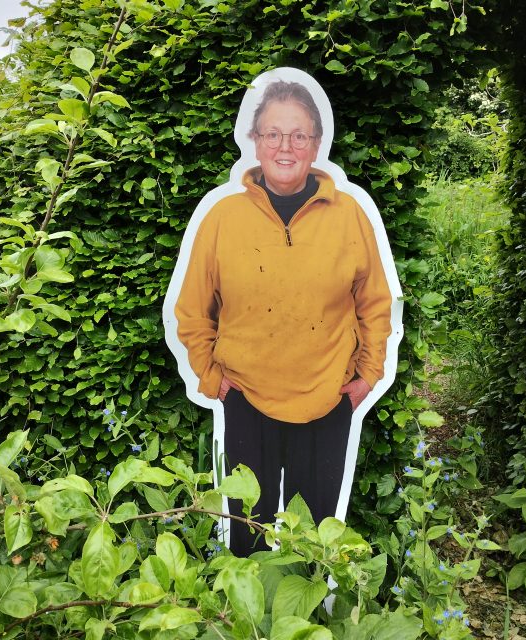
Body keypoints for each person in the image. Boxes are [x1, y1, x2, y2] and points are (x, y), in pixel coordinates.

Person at [174, 80, 393, 556]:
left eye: (299, 135)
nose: (286, 147)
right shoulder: (222, 218)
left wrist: (369, 373)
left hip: (327, 398)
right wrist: (212, 377)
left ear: (317, 143)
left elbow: (375, 303)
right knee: (247, 538)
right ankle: (251, 627)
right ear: (255, 140)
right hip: (246, 399)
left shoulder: (350, 215)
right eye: (274, 134)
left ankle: (303, 627)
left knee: (310, 544)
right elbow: (192, 310)